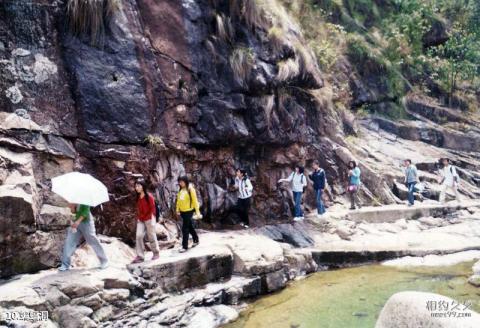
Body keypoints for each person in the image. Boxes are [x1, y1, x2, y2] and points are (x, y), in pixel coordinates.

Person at [59, 203, 108, 271]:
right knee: (69, 241)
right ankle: (65, 264)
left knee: (93, 241)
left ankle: (104, 261)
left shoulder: (85, 199)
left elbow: (85, 212)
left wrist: (77, 222)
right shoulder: (75, 198)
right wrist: (72, 208)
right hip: (76, 223)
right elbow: (75, 212)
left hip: (87, 223)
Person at [131, 179, 160, 264]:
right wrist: (139, 217)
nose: (136, 188)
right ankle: (140, 256)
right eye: (136, 186)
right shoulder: (138, 197)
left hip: (149, 219)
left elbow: (153, 208)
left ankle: (156, 253)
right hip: (141, 219)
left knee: (151, 236)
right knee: (138, 236)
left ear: (143, 186)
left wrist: (151, 218)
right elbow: (139, 209)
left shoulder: (149, 196)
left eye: (138, 186)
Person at [176, 176, 200, 252]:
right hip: (183, 212)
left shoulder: (190, 189)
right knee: (189, 227)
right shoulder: (181, 190)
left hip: (189, 211)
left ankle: (184, 246)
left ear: (185, 181)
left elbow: (195, 201)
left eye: (182, 182)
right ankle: (196, 239)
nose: (180, 183)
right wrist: (177, 209)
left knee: (184, 228)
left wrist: (197, 212)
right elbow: (178, 201)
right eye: (179, 182)